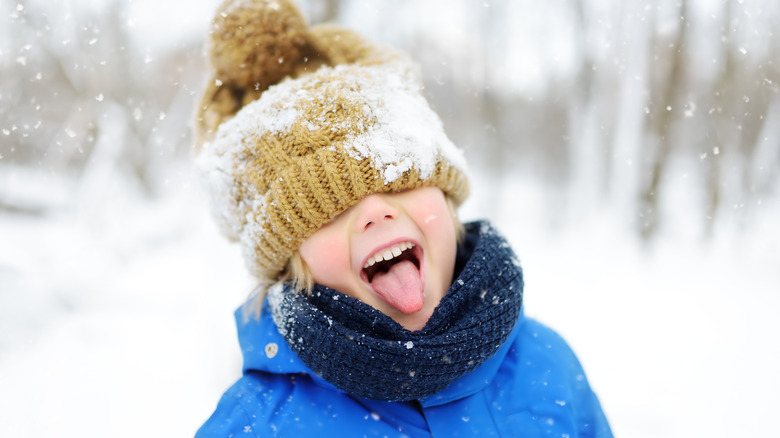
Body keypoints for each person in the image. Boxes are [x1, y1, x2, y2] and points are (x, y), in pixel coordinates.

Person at [193, 0, 613, 436]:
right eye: (331, 210)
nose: (375, 212)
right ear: (287, 260)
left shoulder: (547, 365)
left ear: (447, 200)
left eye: (397, 179)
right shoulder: (257, 426)